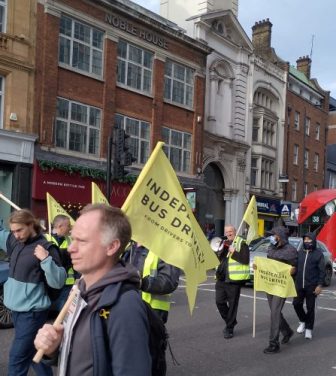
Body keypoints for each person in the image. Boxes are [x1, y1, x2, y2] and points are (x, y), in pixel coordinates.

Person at [34, 204, 151, 376]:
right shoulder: (79, 291)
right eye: (72, 239)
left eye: (81, 241)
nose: (71, 248)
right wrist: (54, 349)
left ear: (111, 246)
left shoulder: (124, 305)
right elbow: (86, 360)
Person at [0, 209, 66, 376]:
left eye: (19, 230)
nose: (16, 235)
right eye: (13, 231)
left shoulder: (46, 248)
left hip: (32, 313)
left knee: (17, 358)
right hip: (16, 310)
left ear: (31, 225)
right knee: (33, 352)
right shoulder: (14, 241)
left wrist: (45, 260)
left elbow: (58, 281)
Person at [124, 243, 180, 324]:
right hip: (126, 307)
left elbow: (169, 281)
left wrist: (143, 283)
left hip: (152, 313)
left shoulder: (166, 249)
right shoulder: (128, 245)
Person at [263, 226, 297, 354]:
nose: (271, 237)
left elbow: (295, 268)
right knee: (274, 311)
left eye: (273, 235)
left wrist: (293, 270)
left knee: (274, 313)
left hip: (282, 286)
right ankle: (287, 331)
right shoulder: (271, 248)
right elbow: (268, 264)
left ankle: (273, 343)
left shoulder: (291, 251)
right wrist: (258, 267)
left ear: (280, 236)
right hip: (270, 283)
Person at [215, 224, 250, 339]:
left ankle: (229, 328)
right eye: (227, 232)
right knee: (219, 302)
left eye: (230, 231)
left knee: (232, 305)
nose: (228, 234)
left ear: (235, 231)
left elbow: (245, 260)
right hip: (221, 279)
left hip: (233, 281)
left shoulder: (242, 243)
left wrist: (234, 252)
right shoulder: (222, 242)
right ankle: (231, 321)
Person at [293, 232, 325, 340]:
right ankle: (303, 321)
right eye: (305, 239)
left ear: (313, 240)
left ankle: (308, 329)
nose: (306, 241)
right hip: (298, 284)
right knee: (296, 304)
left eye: (309, 239)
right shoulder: (299, 252)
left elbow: (322, 271)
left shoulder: (318, 254)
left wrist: (319, 285)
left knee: (310, 308)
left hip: (311, 285)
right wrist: (292, 271)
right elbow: (295, 266)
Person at [45, 214, 77, 311]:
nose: (70, 227)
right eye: (68, 225)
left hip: (67, 284)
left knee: (64, 314)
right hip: (50, 284)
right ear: (59, 226)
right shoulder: (46, 238)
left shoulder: (70, 239)